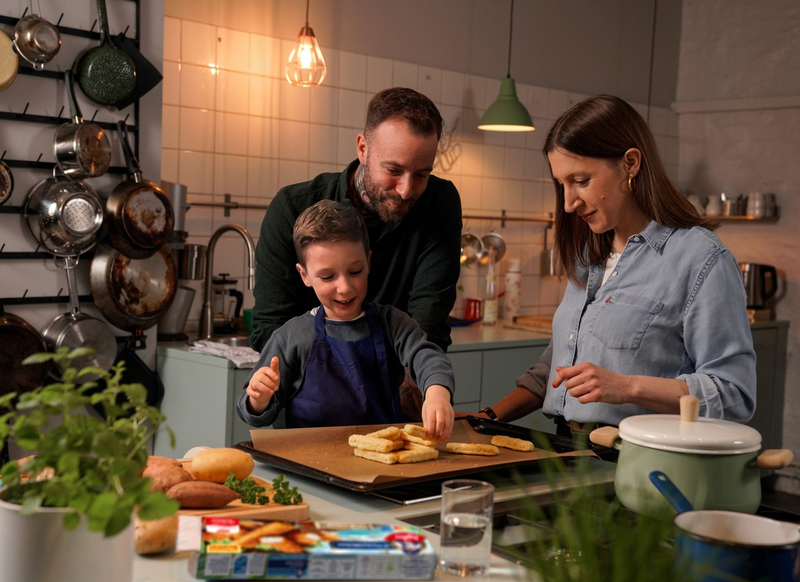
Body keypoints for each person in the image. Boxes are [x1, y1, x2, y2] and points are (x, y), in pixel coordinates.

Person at [471, 95, 756, 434]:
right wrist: (486, 419)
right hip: (566, 452)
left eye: (580, 181)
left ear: (630, 164)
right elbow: (557, 369)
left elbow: (734, 394)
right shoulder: (587, 253)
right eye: (561, 184)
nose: (568, 204)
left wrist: (627, 387)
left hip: (636, 459)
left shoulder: (699, 259)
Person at [249, 87, 462, 356]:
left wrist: (420, 383)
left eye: (421, 174)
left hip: (402, 381)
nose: (406, 190)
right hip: (310, 383)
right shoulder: (291, 207)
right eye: (394, 170)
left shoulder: (439, 202)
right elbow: (271, 327)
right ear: (363, 148)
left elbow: (429, 319)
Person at [236, 200, 455, 442]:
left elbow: (428, 356)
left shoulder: (393, 324)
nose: (344, 287)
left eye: (355, 272)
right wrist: (259, 397)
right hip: (308, 461)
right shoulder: (292, 336)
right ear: (305, 275)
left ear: (368, 262)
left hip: (381, 455)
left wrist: (437, 393)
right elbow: (254, 413)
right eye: (328, 276)